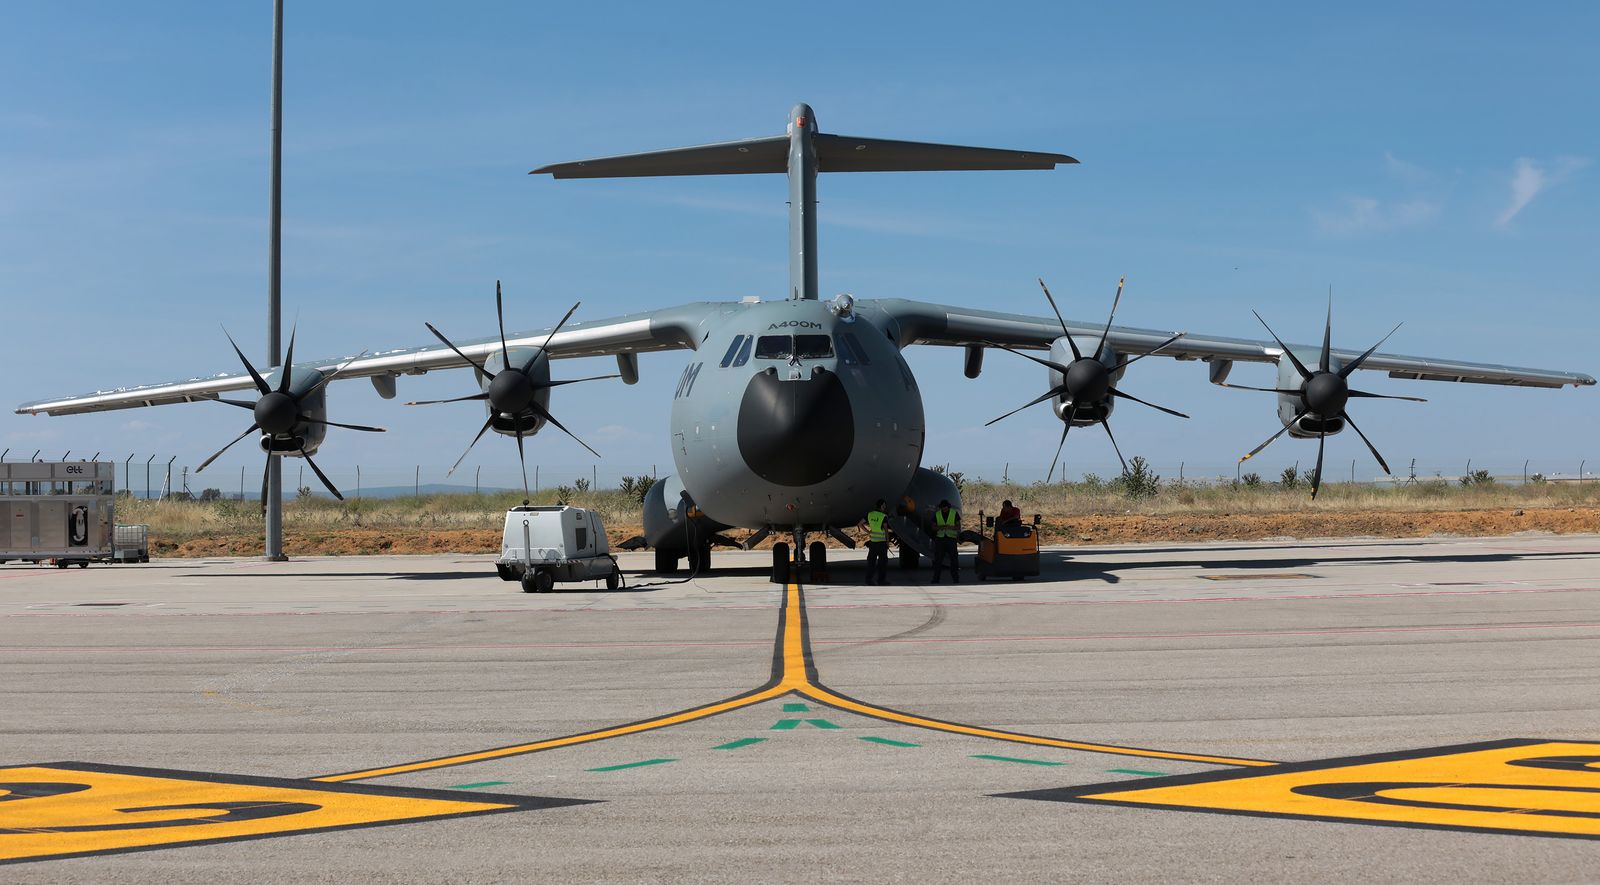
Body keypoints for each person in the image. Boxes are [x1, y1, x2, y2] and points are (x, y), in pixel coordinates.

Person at [859, 499, 890, 586]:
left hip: (873, 542)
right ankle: (881, 580)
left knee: (871, 562)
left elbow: (860, 524)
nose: (885, 507)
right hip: (882, 543)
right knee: (882, 563)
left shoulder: (870, 514)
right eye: (884, 506)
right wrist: (888, 542)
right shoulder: (883, 516)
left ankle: (868, 580)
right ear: (881, 506)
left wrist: (868, 532)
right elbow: (886, 530)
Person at [930, 499, 960, 583]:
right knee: (938, 560)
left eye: (945, 507)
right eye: (942, 508)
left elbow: (958, 527)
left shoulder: (954, 514)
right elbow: (933, 527)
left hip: (951, 539)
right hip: (940, 539)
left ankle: (955, 578)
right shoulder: (937, 514)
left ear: (948, 507)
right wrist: (941, 527)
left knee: (954, 560)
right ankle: (936, 579)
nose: (944, 509)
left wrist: (950, 527)